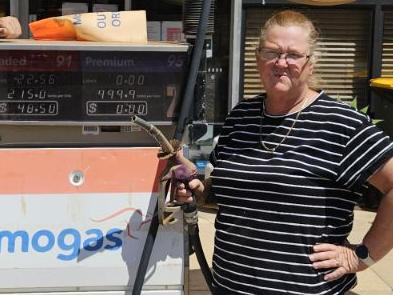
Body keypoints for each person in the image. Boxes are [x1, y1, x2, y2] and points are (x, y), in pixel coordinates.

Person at [176, 10, 393, 295]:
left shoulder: (342, 124)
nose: (281, 63)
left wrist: (363, 255)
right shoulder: (241, 117)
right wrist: (197, 190)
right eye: (271, 52)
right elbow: (231, 194)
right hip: (229, 285)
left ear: (311, 63)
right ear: (257, 59)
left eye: (293, 54)